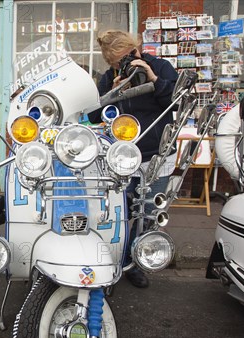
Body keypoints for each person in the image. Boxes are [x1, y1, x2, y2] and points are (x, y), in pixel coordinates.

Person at [92, 30, 178, 288]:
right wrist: (115, 91)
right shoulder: (109, 79)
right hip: (124, 158)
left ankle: (134, 264)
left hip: (158, 157)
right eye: (122, 61)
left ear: (137, 48)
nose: (130, 63)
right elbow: (95, 115)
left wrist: (153, 80)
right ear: (112, 64)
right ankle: (114, 261)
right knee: (120, 213)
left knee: (148, 214)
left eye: (132, 55)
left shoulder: (161, 67)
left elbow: (177, 103)